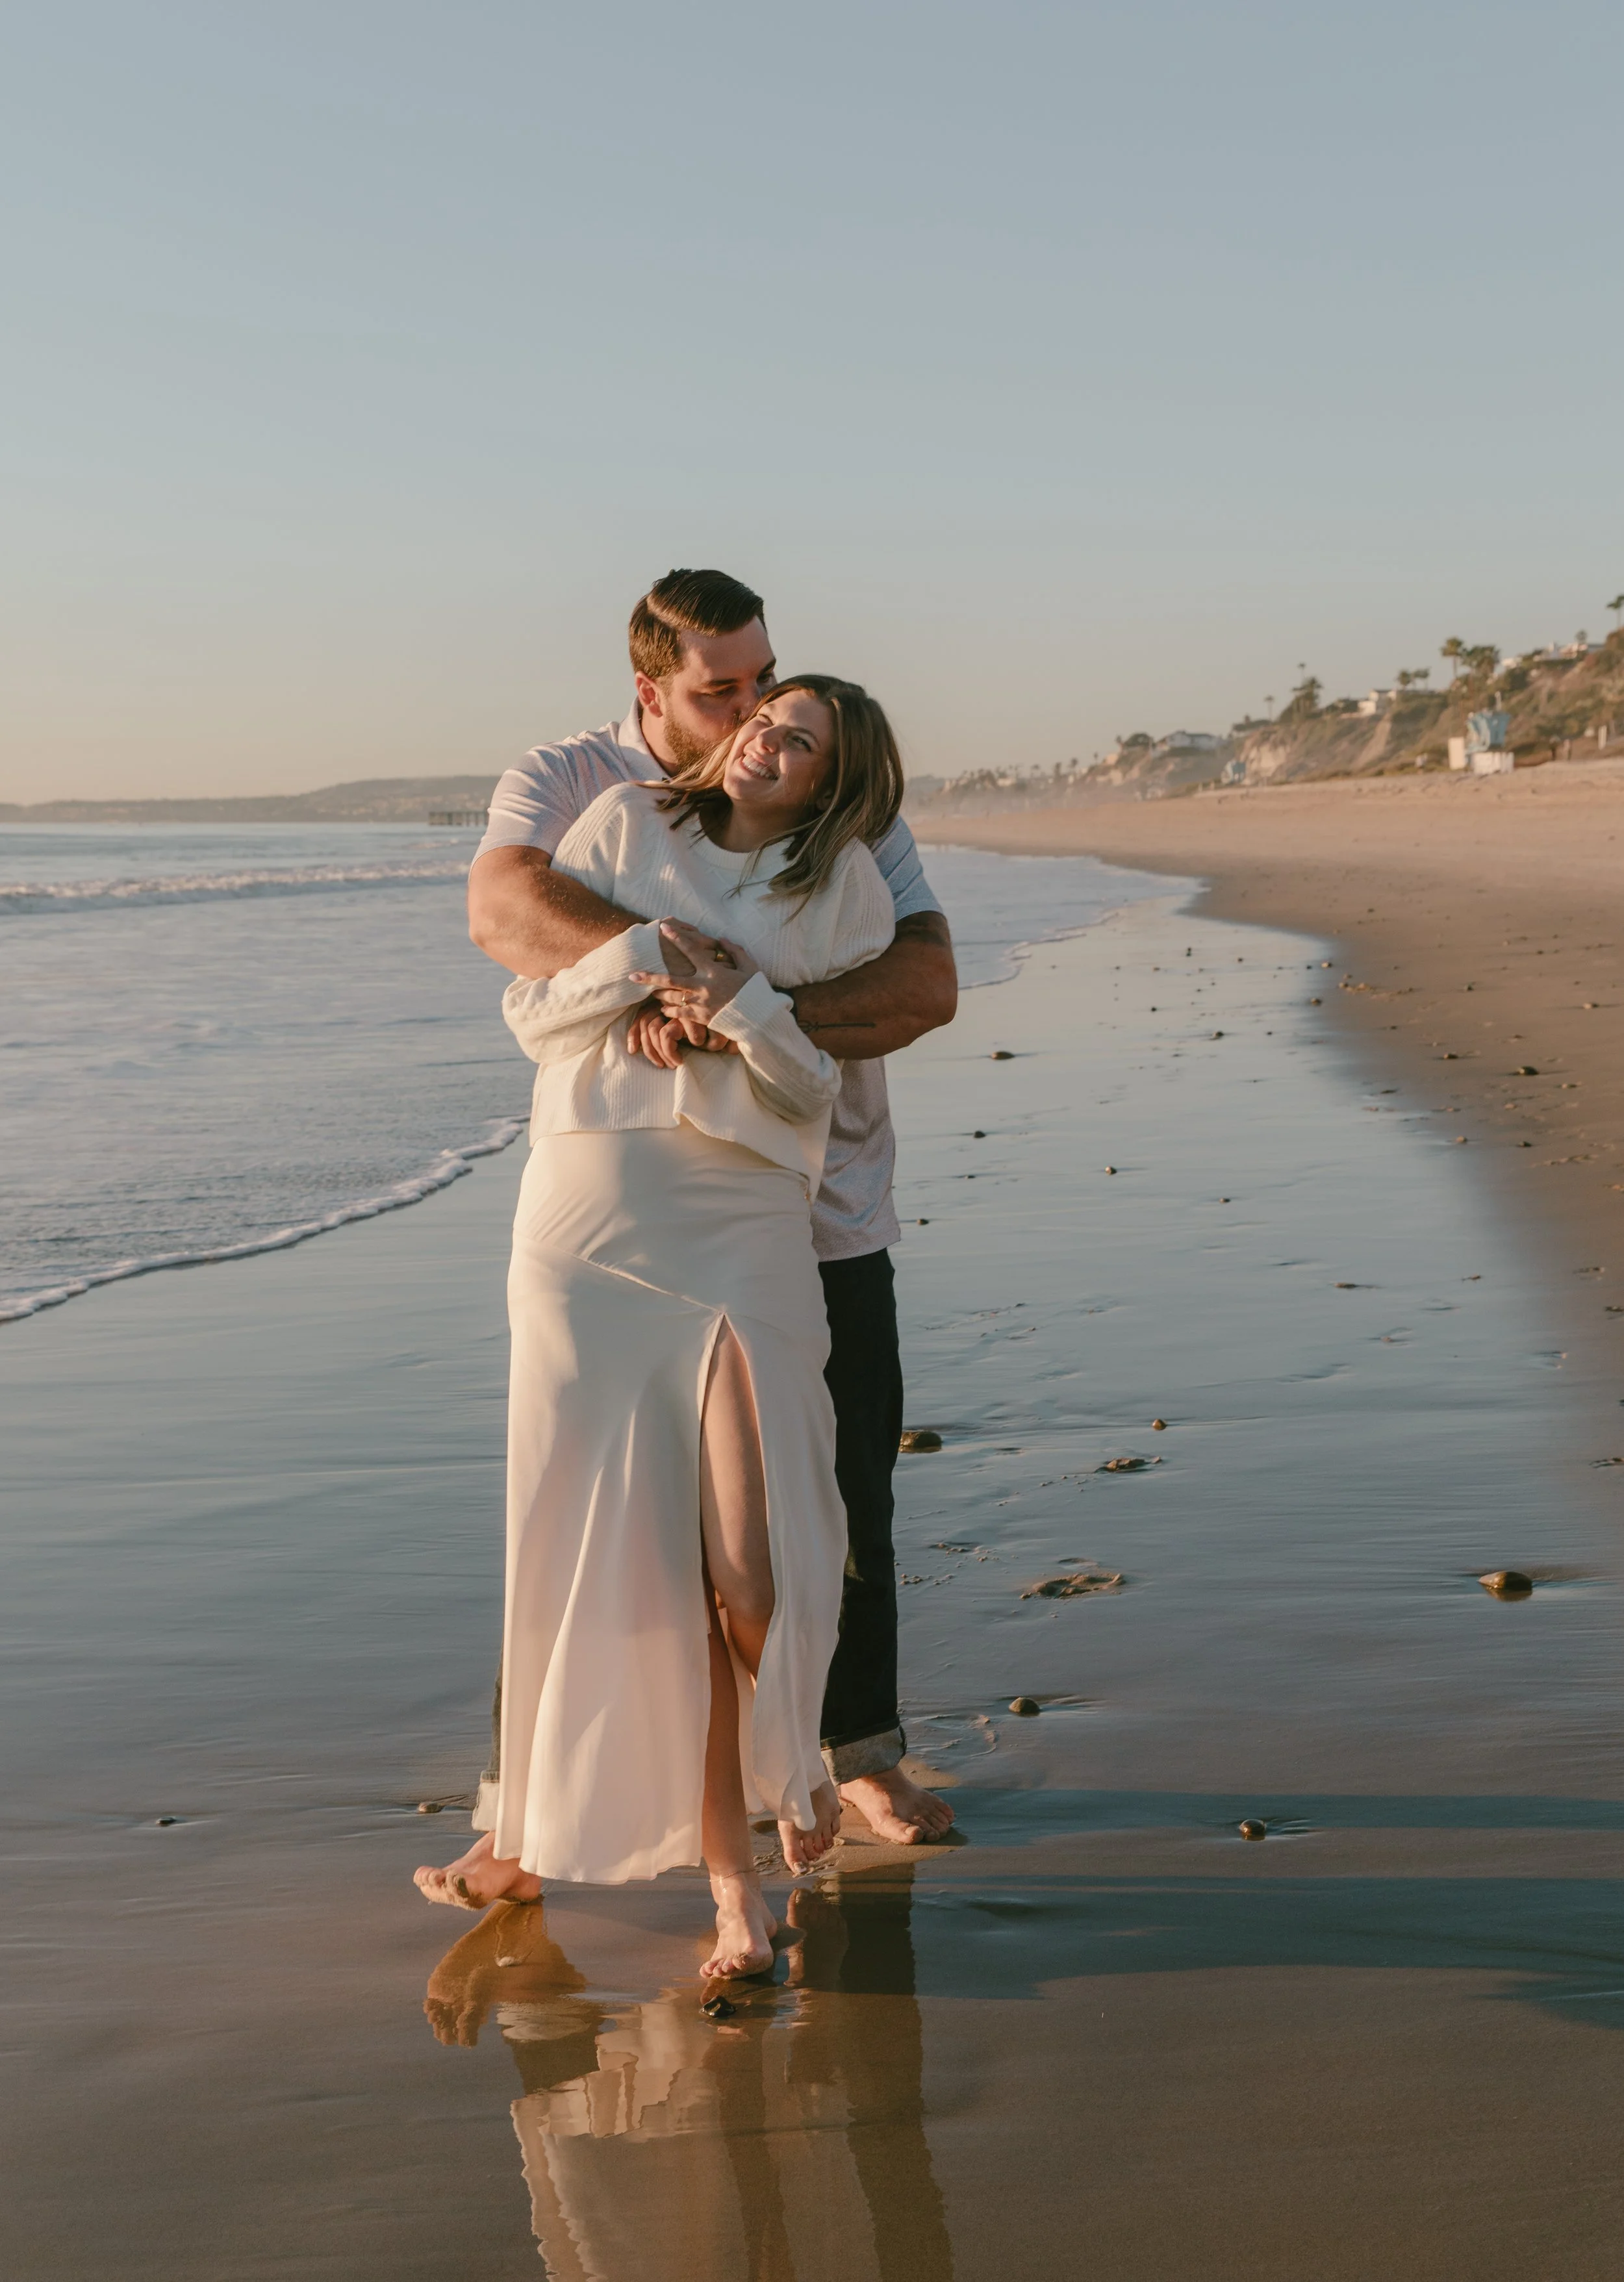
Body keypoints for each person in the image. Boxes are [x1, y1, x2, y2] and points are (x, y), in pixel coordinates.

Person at [416, 570, 957, 1918]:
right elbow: (503, 919)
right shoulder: (578, 783)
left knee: (835, 1503)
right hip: (619, 1196)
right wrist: (650, 972)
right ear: (652, 687)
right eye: (726, 687)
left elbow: (918, 982)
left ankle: (852, 1755)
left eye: (763, 677)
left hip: (814, 1201)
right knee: (581, 1510)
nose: (752, 706)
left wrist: (735, 1009)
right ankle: (533, 1811)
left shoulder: (843, 806)